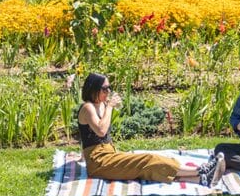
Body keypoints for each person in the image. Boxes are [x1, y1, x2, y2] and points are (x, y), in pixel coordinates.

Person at [78, 73, 225, 187]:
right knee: (147, 159)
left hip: (108, 154)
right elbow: (101, 131)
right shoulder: (88, 108)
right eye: (105, 88)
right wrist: (110, 107)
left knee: (146, 168)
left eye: (109, 87)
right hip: (99, 163)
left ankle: (201, 179)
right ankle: (200, 170)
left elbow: (85, 135)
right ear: (94, 89)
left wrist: (82, 154)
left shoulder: (101, 104)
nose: (108, 91)